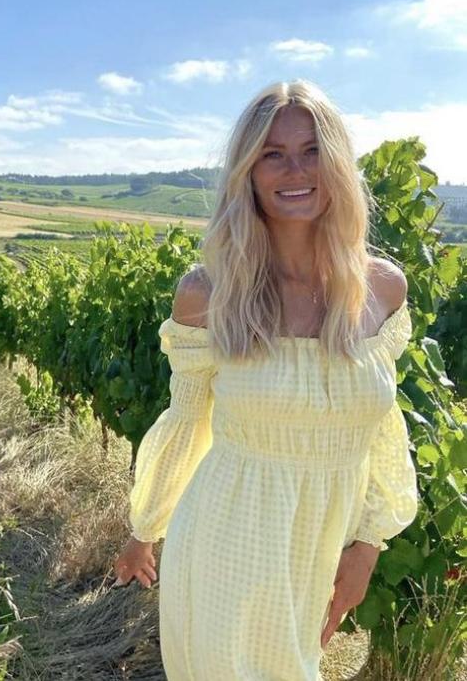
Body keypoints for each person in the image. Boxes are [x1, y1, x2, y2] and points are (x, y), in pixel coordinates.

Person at [113, 79, 419, 680]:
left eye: (312, 151)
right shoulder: (210, 294)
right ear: (248, 172)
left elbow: (382, 426)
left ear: (338, 163)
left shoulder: (382, 289)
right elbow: (187, 424)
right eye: (273, 154)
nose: (295, 170)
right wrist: (144, 528)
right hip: (227, 546)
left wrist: (367, 547)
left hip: (315, 556)